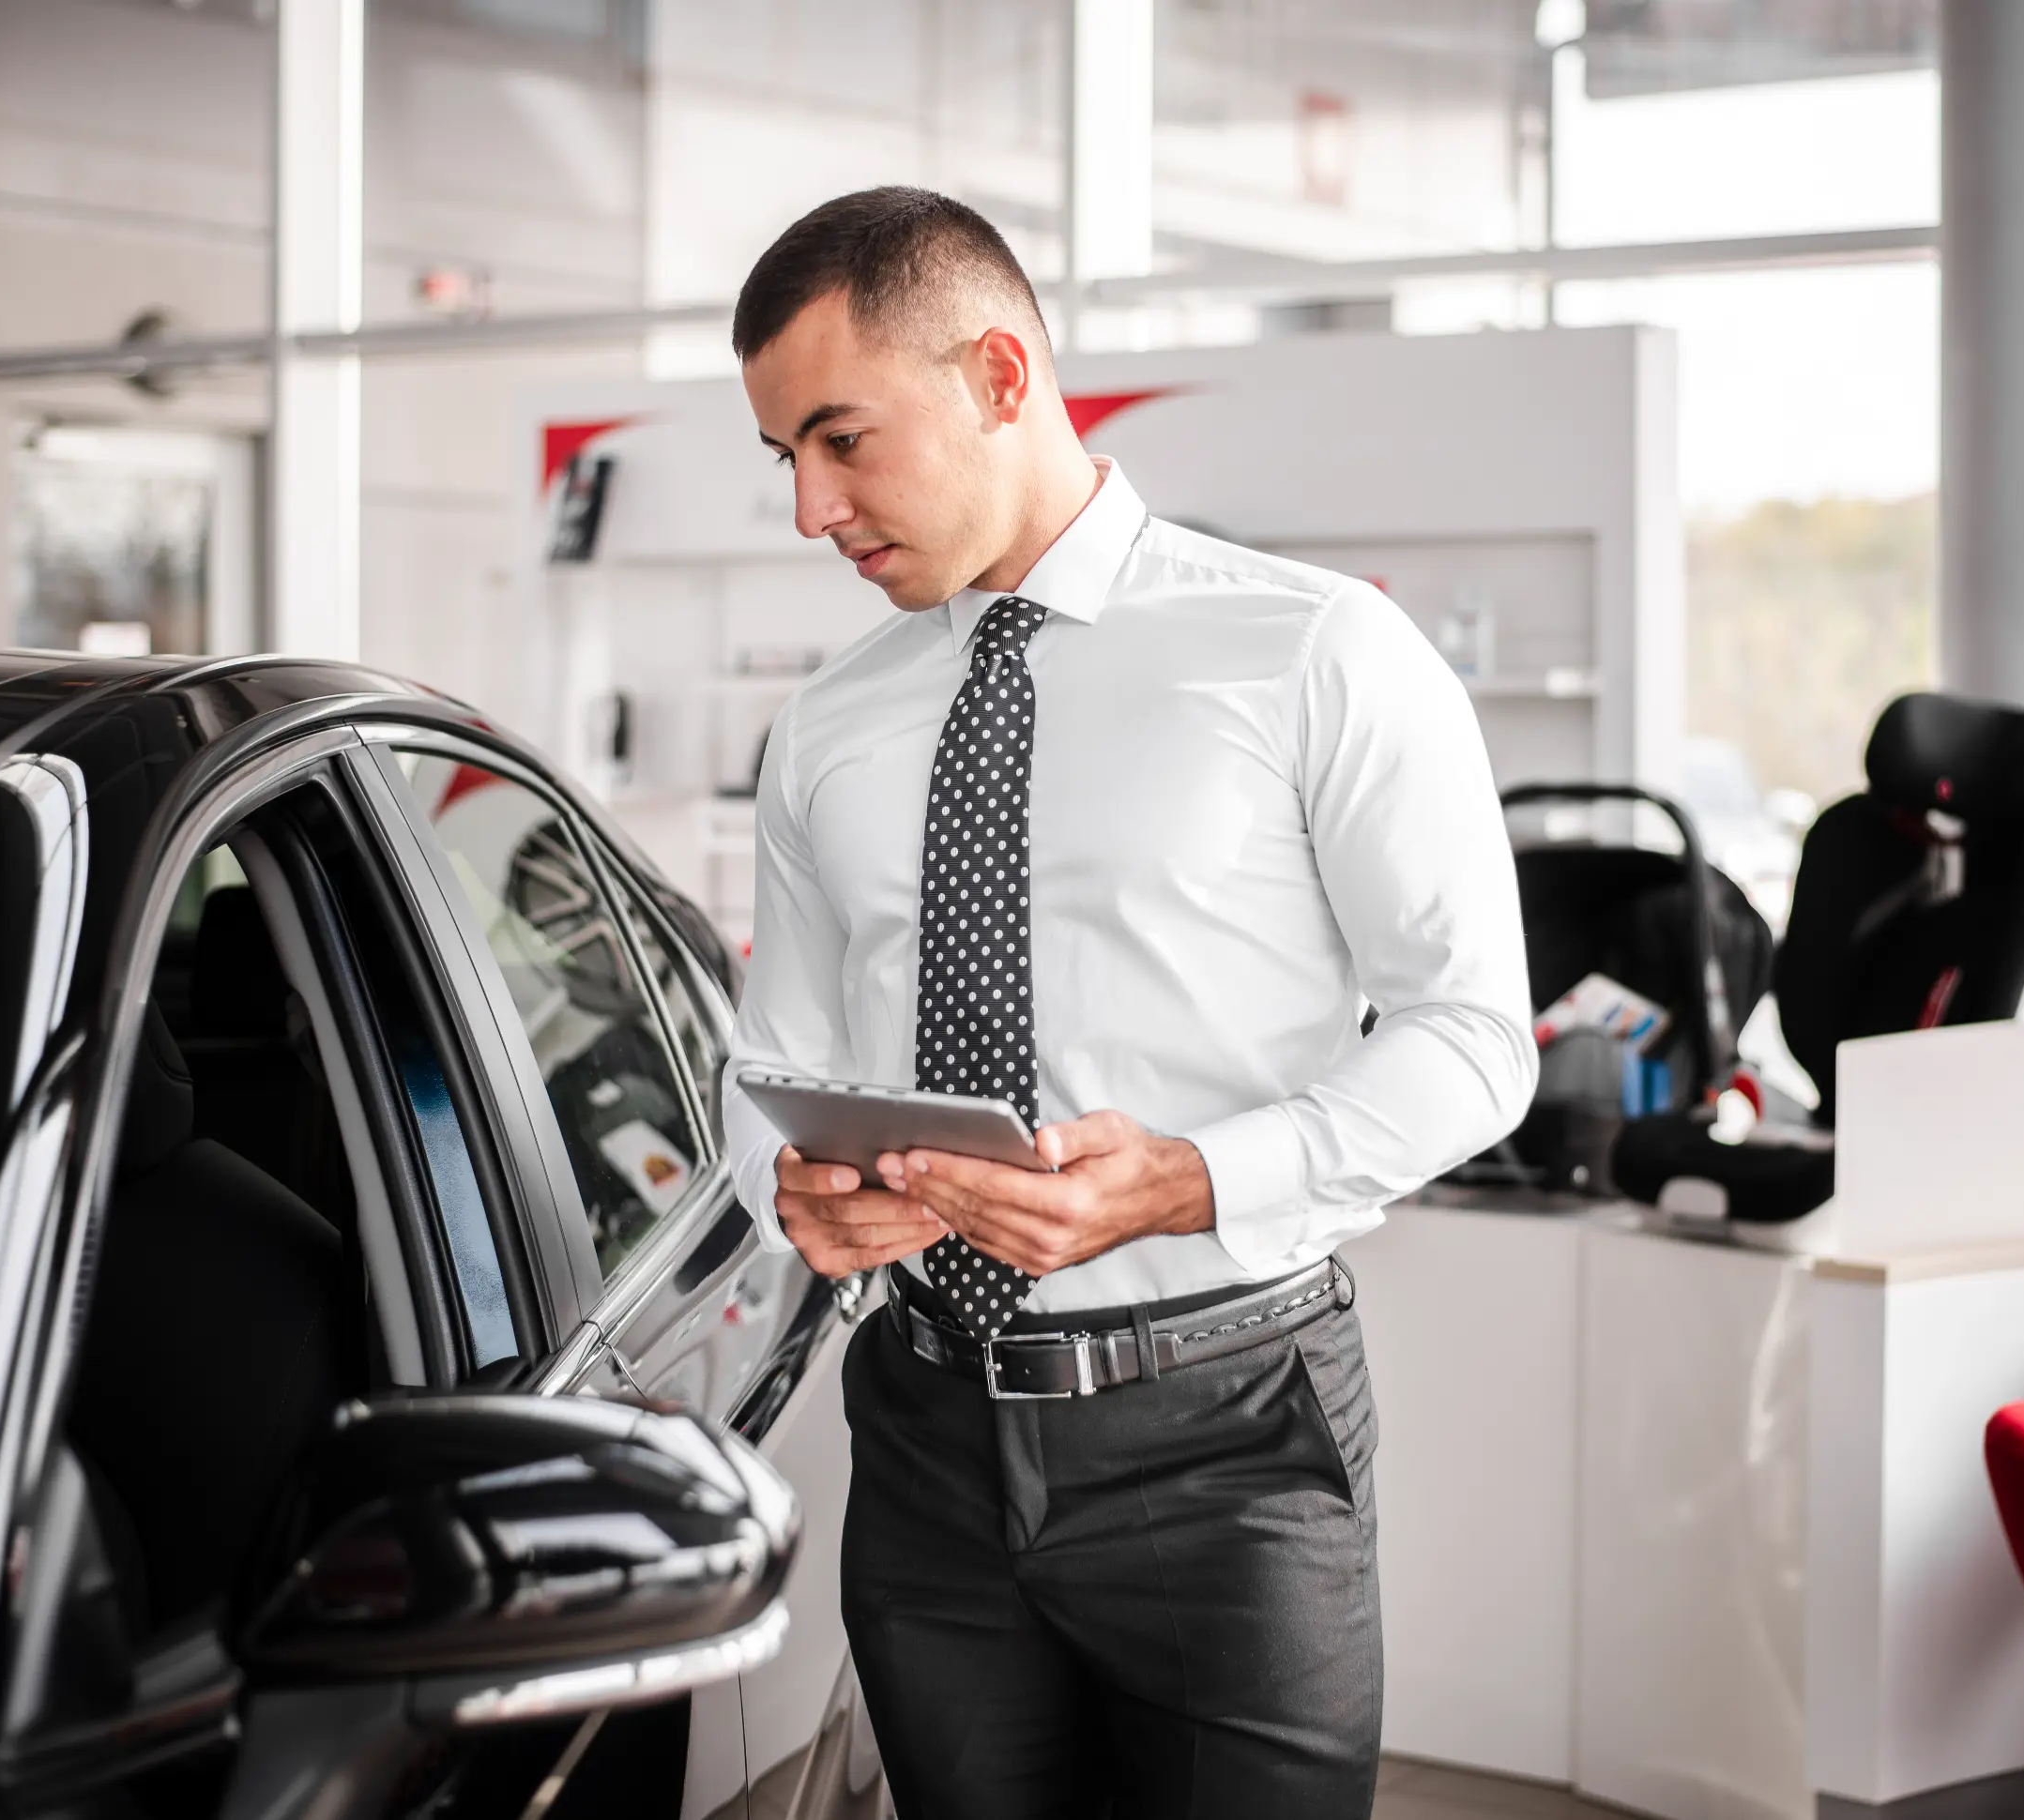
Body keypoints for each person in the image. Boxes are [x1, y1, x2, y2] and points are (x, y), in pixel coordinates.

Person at [720, 186, 1536, 1819]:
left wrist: (1191, 1176)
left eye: (840, 440)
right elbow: (776, 1071)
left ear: (1000, 378)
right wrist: (799, 1193)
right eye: (783, 461)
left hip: (1226, 1436)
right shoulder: (825, 726)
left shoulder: (1314, 653)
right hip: (926, 1430)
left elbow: (1472, 1040)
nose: (812, 508)